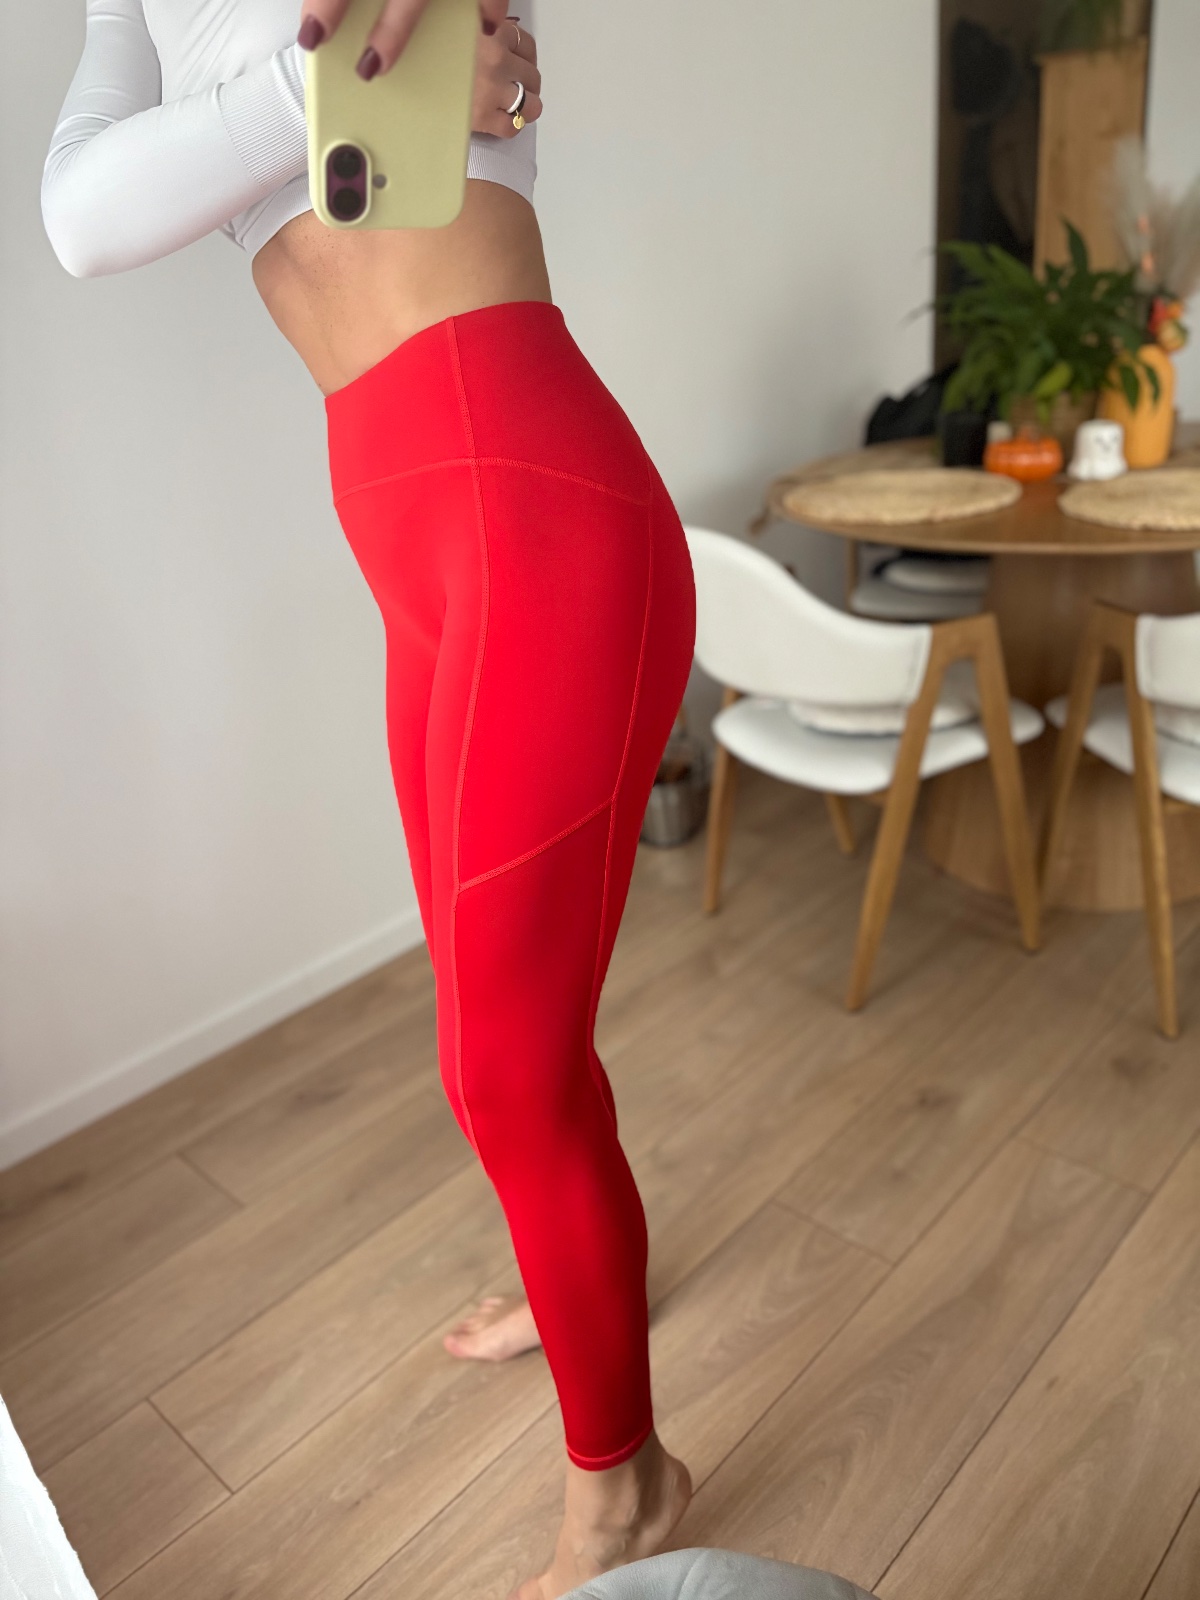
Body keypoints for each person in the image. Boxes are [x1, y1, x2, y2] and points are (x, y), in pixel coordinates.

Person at [41, 3, 696, 1596]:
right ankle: (572, 1283)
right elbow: (82, 216)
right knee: (499, 1038)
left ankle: (629, 1490)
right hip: (420, 553)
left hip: (540, 520)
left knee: (503, 1059)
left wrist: (337, 89)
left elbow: (450, 67)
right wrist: (317, 87)